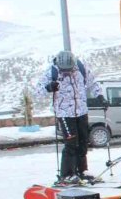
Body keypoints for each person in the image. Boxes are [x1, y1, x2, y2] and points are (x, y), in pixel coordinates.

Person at [35, 50, 104, 184]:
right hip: (65, 113)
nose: (67, 72)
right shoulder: (52, 72)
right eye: (64, 70)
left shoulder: (81, 68)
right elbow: (37, 91)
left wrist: (99, 96)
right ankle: (66, 174)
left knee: (83, 141)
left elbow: (93, 83)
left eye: (69, 70)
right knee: (71, 143)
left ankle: (81, 170)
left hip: (81, 111)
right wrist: (48, 88)